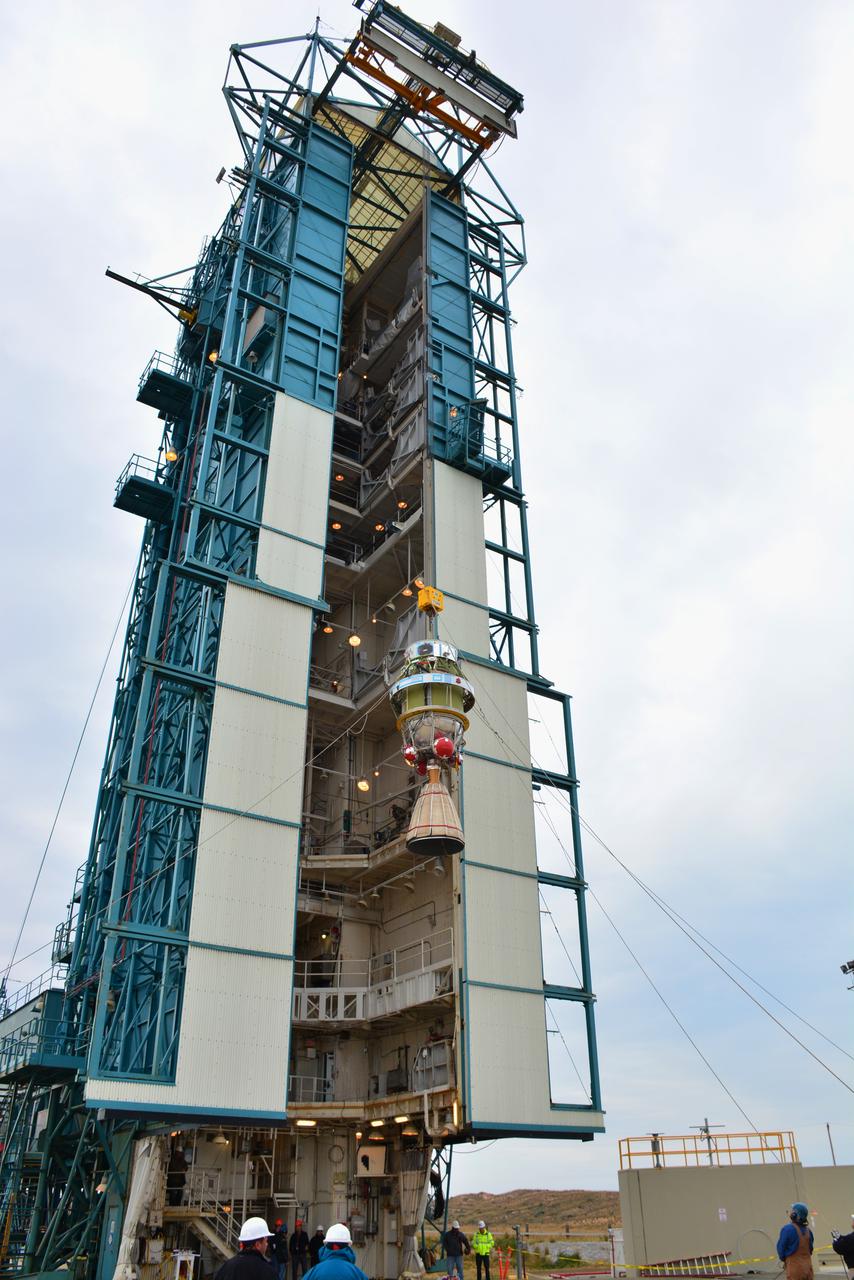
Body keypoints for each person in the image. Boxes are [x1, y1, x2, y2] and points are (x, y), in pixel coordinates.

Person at [777, 1203, 814, 1280]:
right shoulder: (808, 1231)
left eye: (792, 1211)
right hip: (808, 1269)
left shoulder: (787, 1229)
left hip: (795, 1270)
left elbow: (781, 1249)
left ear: (795, 1215)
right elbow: (810, 1250)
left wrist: (785, 1260)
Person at [831, 1215, 854, 1280]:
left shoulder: (851, 1238)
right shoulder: (850, 1237)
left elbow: (838, 1247)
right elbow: (846, 1239)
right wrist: (839, 1237)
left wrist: (835, 1239)